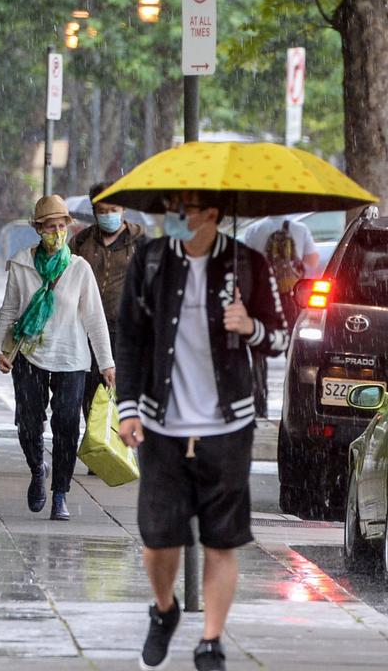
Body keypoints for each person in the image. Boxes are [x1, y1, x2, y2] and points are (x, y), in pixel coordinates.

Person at [116, 190, 287, 671]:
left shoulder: (248, 264)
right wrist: (127, 408)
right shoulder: (150, 261)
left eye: (185, 210)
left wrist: (248, 325)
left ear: (212, 215)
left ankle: (211, 640)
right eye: (170, 208)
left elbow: (282, 335)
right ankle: (165, 610)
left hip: (227, 426)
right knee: (158, 539)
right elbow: (128, 336)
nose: (174, 217)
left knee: (221, 540)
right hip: (160, 423)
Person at [0, 195, 114, 521]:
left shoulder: (79, 269)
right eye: (49, 226)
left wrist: (107, 363)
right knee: (29, 424)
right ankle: (36, 468)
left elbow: (95, 319)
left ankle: (60, 493)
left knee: (67, 426)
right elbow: (10, 309)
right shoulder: (21, 264)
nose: (56, 232)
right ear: (38, 229)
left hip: (72, 359)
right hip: (29, 355)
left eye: (61, 226)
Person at [68, 186, 146, 420]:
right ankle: (98, 444)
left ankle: (122, 441)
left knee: (124, 392)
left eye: (113, 209)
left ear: (123, 209)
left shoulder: (141, 242)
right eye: (102, 210)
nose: (108, 215)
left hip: (127, 331)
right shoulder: (81, 242)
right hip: (87, 330)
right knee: (91, 394)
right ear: (94, 211)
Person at [243, 215, 319, 417]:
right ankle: (293, 401)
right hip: (291, 297)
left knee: (258, 348)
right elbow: (312, 263)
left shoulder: (253, 230)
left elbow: (246, 265)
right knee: (292, 350)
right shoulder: (300, 229)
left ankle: (260, 401)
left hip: (261, 296)